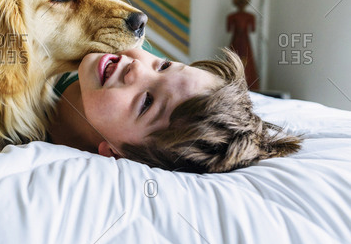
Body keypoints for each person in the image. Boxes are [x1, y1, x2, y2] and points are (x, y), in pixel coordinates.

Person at [47, 47, 302, 173]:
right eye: (164, 66)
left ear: (116, 156)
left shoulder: (29, 151)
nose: (137, 67)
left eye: (146, 102)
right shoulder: (74, 45)